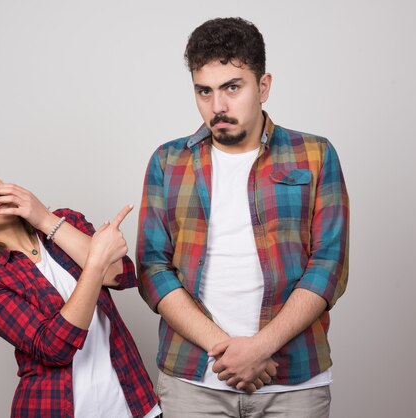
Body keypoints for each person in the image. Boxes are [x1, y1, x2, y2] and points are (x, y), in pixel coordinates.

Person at [137, 17, 349, 418]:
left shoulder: (316, 155)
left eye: (232, 87)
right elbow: (152, 268)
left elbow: (329, 265)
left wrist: (259, 348)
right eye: (204, 91)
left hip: (294, 380)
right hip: (193, 380)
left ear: (263, 86)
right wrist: (229, 352)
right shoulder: (168, 161)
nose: (217, 107)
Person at [0, 161, 160, 418]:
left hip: (135, 403)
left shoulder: (66, 221)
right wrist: (95, 262)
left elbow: (118, 275)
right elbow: (54, 348)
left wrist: (43, 217)